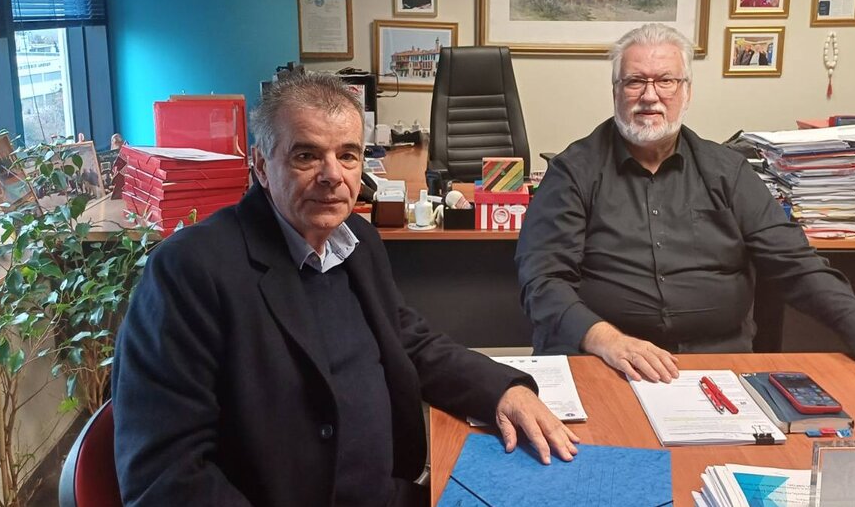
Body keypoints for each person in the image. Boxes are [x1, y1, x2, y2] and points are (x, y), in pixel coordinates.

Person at [112, 70, 578, 507]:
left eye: (348, 155)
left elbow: (410, 341)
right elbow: (165, 476)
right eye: (306, 155)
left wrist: (502, 391)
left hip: (386, 492)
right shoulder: (189, 271)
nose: (333, 174)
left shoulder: (357, 240)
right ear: (261, 165)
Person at [515, 23, 855, 392]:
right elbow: (543, 281)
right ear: (615, 91)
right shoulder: (574, 172)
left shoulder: (727, 171)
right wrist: (607, 340)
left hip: (715, 365)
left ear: (686, 92)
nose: (650, 96)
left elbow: (798, 265)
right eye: (635, 82)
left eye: (665, 81)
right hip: (601, 361)